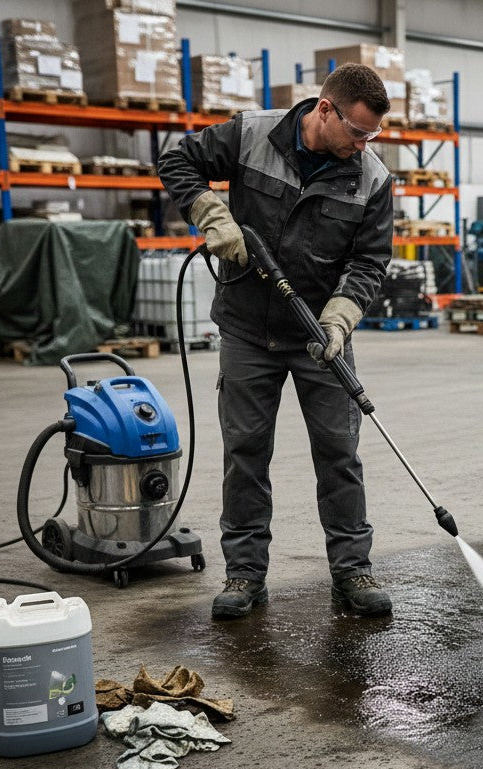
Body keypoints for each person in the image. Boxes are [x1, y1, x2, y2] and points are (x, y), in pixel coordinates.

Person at [157, 63, 394, 620]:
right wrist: (212, 213)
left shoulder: (372, 179)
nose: (363, 145)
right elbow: (177, 160)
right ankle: (244, 573)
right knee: (245, 453)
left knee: (339, 454)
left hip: (320, 336)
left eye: (372, 136)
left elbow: (369, 260)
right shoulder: (250, 134)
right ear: (325, 110)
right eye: (357, 132)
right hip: (247, 328)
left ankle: (352, 571)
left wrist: (339, 319)